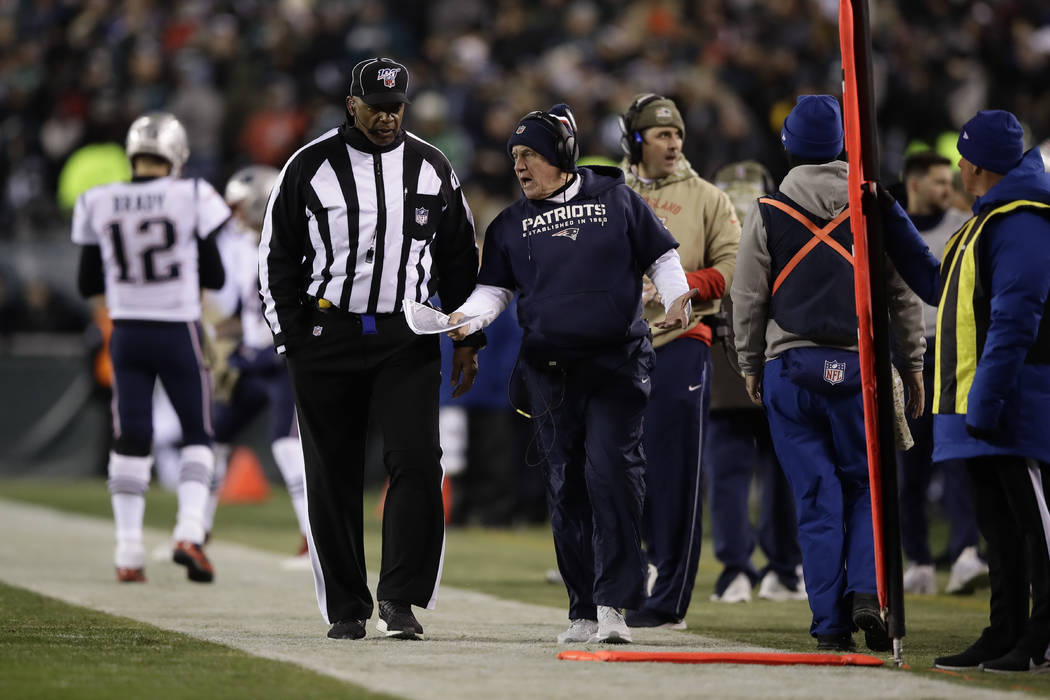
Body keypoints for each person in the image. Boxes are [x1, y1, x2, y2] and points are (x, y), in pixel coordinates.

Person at [447, 103, 697, 645]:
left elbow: (662, 258)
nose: (519, 166)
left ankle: (613, 607)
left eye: (529, 154)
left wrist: (678, 297)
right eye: (515, 156)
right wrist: (465, 318)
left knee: (613, 479)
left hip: (616, 367)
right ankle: (581, 607)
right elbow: (495, 290)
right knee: (566, 492)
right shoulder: (509, 223)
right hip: (551, 375)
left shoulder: (617, 199)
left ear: (560, 154)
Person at [259, 57, 484, 641]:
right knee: (331, 472)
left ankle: (402, 599)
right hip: (326, 334)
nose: (387, 117)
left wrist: (467, 335)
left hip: (406, 334)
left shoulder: (433, 166)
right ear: (351, 102)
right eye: (376, 105)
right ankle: (346, 607)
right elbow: (275, 259)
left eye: (396, 106)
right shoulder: (308, 165)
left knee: (417, 461)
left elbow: (461, 259)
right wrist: (291, 340)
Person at [730, 95, 926, 653]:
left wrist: (748, 363)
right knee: (865, 489)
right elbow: (901, 293)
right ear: (842, 143)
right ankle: (868, 590)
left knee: (816, 499)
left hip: (790, 371)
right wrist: (911, 364)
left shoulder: (768, 210)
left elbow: (747, 297)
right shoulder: (873, 206)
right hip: (857, 369)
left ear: (789, 144)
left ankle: (829, 625)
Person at [877, 109, 1050, 673]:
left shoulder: (1023, 220)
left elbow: (1016, 319)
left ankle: (1041, 637)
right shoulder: (988, 219)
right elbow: (937, 285)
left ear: (973, 163)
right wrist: (891, 218)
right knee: (999, 530)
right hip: (984, 400)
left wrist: (990, 398)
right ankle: (1005, 631)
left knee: (1034, 528)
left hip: (1013, 403)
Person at [71, 111, 229, 583]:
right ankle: (188, 531)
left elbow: (86, 281)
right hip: (176, 328)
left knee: (132, 436)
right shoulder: (193, 194)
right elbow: (217, 275)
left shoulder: (99, 199)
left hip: (127, 332)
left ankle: (128, 551)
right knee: (197, 435)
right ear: (176, 155)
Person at [616, 94, 740, 628]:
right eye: (662, 134)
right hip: (618, 345)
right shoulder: (609, 193)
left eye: (678, 135)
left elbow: (733, 267)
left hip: (682, 340)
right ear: (636, 139)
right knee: (616, 469)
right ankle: (625, 581)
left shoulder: (709, 198)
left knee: (675, 471)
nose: (673, 144)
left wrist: (680, 283)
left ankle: (668, 600)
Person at [200, 165, 312, 568]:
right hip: (252, 358)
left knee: (287, 447)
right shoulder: (243, 246)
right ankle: (194, 532)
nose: (234, 215)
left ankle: (312, 541)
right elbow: (244, 310)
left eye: (240, 205)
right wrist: (213, 336)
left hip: (281, 358)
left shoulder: (294, 240)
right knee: (210, 439)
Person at [705, 160, 805, 605]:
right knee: (780, 475)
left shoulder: (706, 230)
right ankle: (781, 569)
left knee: (728, 477)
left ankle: (734, 572)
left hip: (725, 373)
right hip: (776, 368)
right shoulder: (780, 227)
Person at [895, 151, 988, 596]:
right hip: (908, 356)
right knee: (911, 462)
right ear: (913, 184)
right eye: (938, 183)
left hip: (953, 353)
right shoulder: (895, 230)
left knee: (956, 455)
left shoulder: (962, 225)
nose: (948, 190)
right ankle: (919, 561)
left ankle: (966, 551)